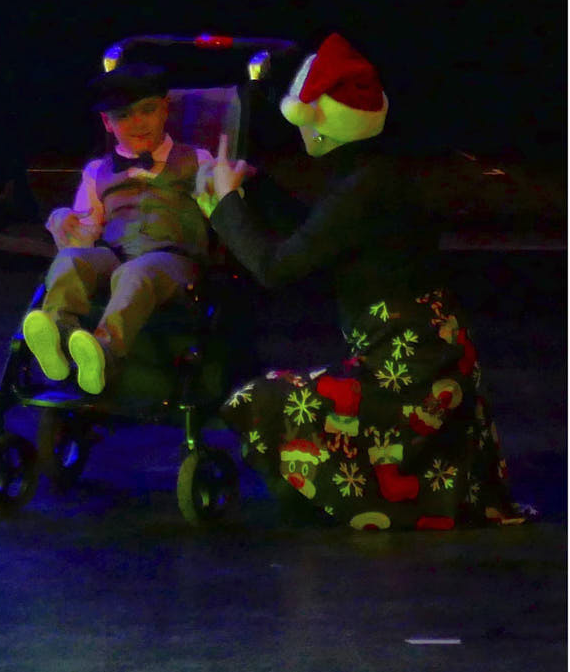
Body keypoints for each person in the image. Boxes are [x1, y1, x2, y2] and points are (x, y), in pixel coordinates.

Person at [202, 34, 526, 530]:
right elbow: (318, 235)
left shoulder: (364, 189)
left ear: (322, 126)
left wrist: (224, 205)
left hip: (412, 372)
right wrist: (255, 190)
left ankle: (331, 504)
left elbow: (276, 267)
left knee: (261, 400)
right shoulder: (372, 176)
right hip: (425, 356)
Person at [19, 65, 211, 397]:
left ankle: (104, 351)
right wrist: (66, 221)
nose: (138, 123)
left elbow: (222, 214)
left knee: (135, 273)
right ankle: (59, 337)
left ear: (165, 108)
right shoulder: (98, 170)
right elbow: (86, 231)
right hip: (115, 255)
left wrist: (226, 188)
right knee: (71, 261)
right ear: (107, 123)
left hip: (173, 260)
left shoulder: (197, 160)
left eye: (148, 110)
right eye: (124, 116)